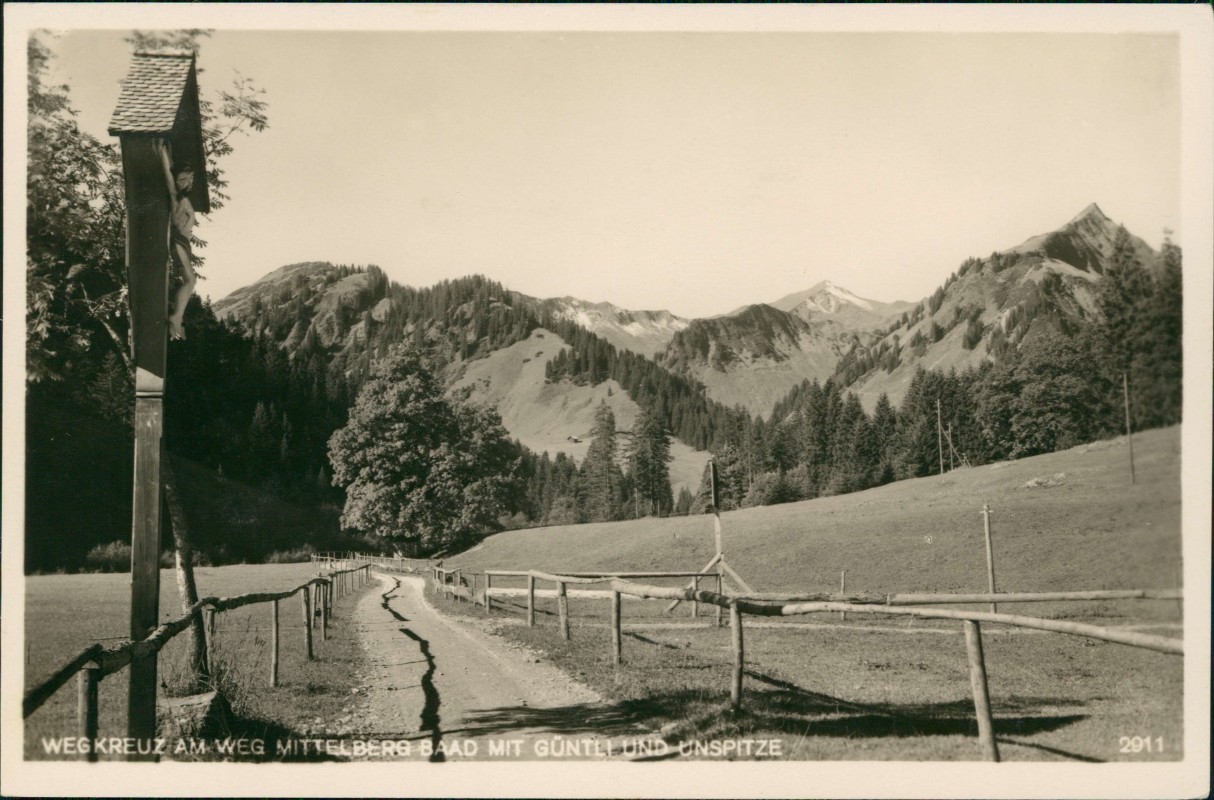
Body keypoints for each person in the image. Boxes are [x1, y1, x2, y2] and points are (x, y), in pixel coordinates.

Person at [154, 140, 197, 340]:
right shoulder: (176, 197)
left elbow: (173, 170)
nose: (188, 182)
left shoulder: (186, 198)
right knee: (190, 280)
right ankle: (176, 318)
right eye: (184, 179)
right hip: (178, 241)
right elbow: (169, 176)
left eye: (191, 178)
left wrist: (168, 152)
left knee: (190, 280)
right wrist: (162, 151)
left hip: (185, 243)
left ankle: (177, 318)